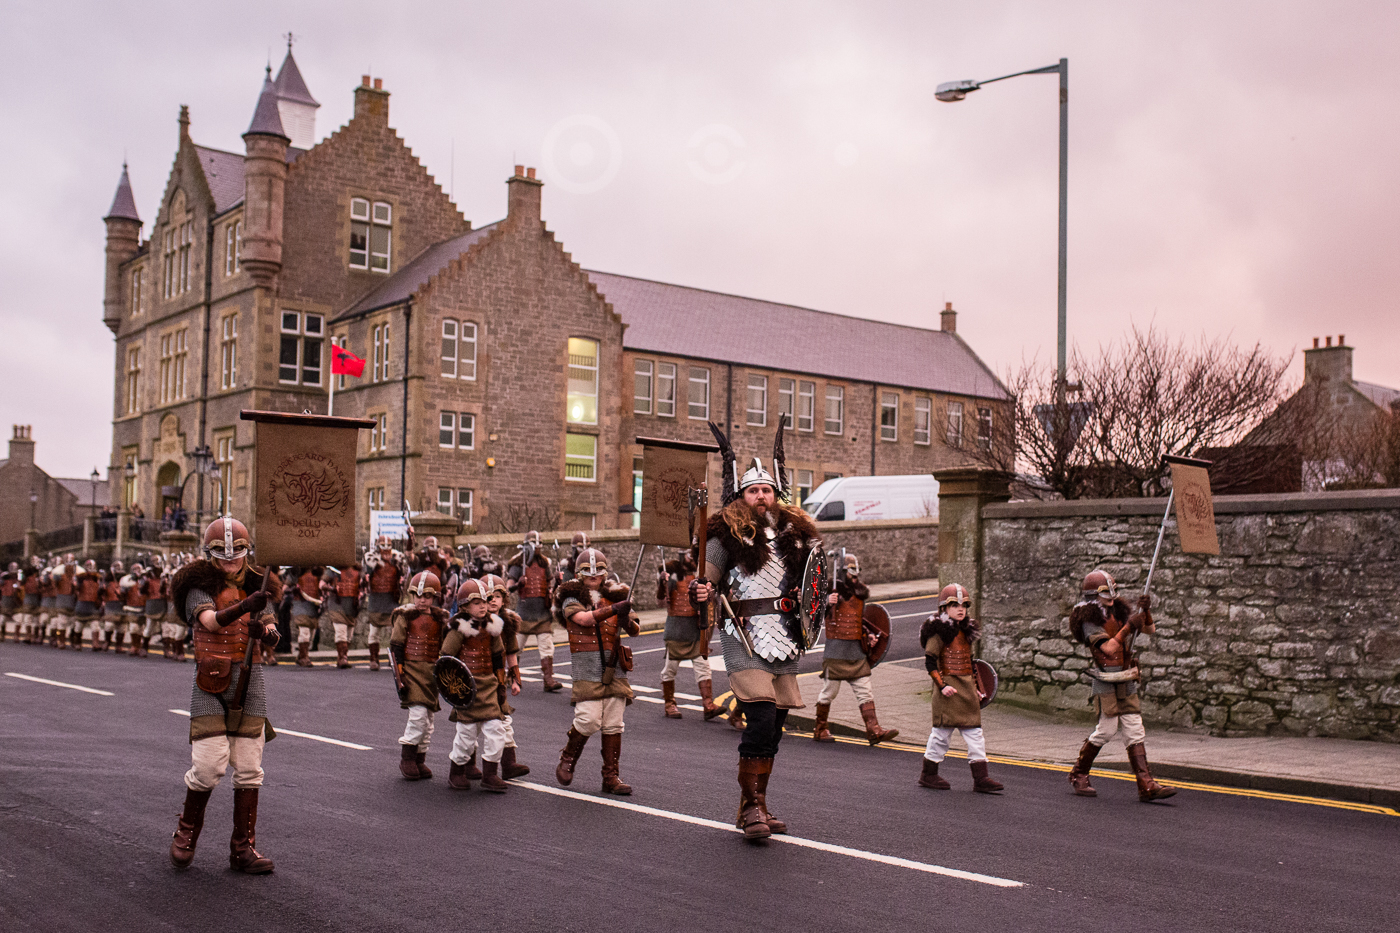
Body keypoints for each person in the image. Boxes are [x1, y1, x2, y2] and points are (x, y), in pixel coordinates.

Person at [692, 424, 818, 841]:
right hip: (743, 633)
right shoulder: (724, 535)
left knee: (775, 724)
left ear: (775, 493)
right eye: (753, 491)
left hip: (784, 635)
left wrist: (823, 600)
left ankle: (756, 802)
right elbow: (707, 576)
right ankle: (752, 810)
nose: (761, 496)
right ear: (740, 496)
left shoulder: (794, 535)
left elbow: (810, 582)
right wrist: (703, 587)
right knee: (760, 717)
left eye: (766, 489)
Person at [167, 516, 281, 873]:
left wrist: (264, 631)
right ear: (210, 553)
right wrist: (247, 607)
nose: (231, 559)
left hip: (250, 682)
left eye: (237, 552)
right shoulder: (197, 586)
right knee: (208, 766)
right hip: (209, 682)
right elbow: (212, 622)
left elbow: (275, 634)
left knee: (249, 768)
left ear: (247, 552)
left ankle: (242, 849)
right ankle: (185, 832)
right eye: (223, 553)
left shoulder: (259, 585)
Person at [1067, 570, 1176, 803]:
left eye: (1113, 590)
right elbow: (1108, 649)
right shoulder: (1087, 619)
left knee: (1135, 728)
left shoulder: (1119, 612)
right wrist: (1128, 627)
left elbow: (1149, 630)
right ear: (1092, 595)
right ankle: (1079, 773)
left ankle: (1146, 784)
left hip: (1126, 677)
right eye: (1106, 592)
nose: (1112, 596)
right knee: (1106, 730)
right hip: (1106, 678)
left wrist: (1145, 612)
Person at [553, 547, 639, 795]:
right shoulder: (571, 598)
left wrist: (626, 620)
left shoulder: (615, 595)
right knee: (588, 720)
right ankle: (568, 757)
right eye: (588, 570)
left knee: (613, 723)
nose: (594, 574)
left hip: (615, 667)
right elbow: (584, 619)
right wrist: (615, 610)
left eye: (598, 569)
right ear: (579, 573)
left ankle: (610, 777)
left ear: (605, 572)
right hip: (587, 669)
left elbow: (634, 630)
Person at [917, 584, 1002, 793]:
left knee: (975, 734)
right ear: (944, 608)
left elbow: (971, 663)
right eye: (954, 604)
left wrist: (978, 687)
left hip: (966, 691)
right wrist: (942, 686)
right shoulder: (938, 632)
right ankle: (929, 774)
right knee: (941, 736)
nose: (960, 608)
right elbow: (930, 662)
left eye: (964, 604)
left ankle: (981, 778)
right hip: (947, 691)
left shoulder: (965, 631)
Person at [812, 550, 899, 745]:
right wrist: (827, 602)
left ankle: (873, 729)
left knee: (865, 691)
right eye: (851, 570)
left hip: (856, 652)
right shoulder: (830, 590)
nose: (855, 574)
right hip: (836, 652)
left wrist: (868, 634)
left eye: (856, 570)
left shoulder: (860, 593)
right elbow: (813, 613)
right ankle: (820, 728)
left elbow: (860, 619)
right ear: (843, 571)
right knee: (829, 692)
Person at [442, 579, 510, 792]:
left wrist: (501, 684)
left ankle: (490, 774)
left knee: (496, 729)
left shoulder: (492, 626)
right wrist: (454, 688)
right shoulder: (458, 629)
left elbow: (498, 657)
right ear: (463, 606)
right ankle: (457, 771)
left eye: (485, 600)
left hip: (488, 686)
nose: (482, 606)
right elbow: (446, 659)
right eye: (476, 602)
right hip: (466, 689)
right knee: (467, 734)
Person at [389, 571, 449, 780]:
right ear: (412, 594)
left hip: (431, 673)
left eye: (427, 596)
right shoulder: (405, 615)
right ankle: (407, 758)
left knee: (429, 720)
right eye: (418, 595)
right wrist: (400, 675)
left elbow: (445, 646)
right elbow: (396, 646)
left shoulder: (439, 618)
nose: (422, 600)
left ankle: (419, 759)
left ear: (435, 597)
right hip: (411, 673)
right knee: (418, 716)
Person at [656, 549, 723, 720]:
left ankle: (708, 705)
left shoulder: (700, 579)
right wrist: (661, 583)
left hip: (695, 631)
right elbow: (660, 601)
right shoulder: (672, 578)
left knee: (703, 667)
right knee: (670, 669)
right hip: (676, 631)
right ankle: (669, 704)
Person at [482, 573, 529, 779]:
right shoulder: (474, 622)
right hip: (478, 678)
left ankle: (509, 764)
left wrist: (515, 679)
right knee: (472, 726)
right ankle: (464, 766)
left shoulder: (507, 623)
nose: (493, 600)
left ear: (504, 599)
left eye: (498, 596)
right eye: (488, 596)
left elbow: (511, 653)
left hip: (498, 680)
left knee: (504, 719)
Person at [507, 531, 560, 692]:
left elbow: (549, 586)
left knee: (546, 647)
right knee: (516, 648)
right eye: (534, 544)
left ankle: (548, 680)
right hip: (523, 614)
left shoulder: (544, 564)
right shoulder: (517, 564)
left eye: (539, 544)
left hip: (542, 614)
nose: (537, 547)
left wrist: (557, 582)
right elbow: (508, 587)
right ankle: (512, 677)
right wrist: (518, 584)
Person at [363, 537, 408, 672]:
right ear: (378, 546)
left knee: (395, 633)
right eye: (383, 545)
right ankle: (374, 659)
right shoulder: (371, 559)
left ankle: (393, 659)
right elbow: (365, 577)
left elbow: (403, 576)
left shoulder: (397, 559)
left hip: (391, 599)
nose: (386, 547)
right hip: (376, 600)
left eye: (389, 545)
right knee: (374, 632)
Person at [323, 563, 362, 670]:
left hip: (352, 607)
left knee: (349, 635)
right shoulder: (333, 570)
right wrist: (332, 588)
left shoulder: (358, 570)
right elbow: (322, 584)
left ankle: (343, 656)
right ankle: (342, 658)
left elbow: (363, 585)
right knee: (341, 632)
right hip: (337, 606)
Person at [288, 565, 325, 667]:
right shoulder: (296, 575)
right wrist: (294, 589)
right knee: (305, 632)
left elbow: (322, 588)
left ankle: (301, 656)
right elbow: (285, 588)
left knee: (311, 634)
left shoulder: (318, 574)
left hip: (314, 606)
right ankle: (304, 657)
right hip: (300, 604)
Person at [74, 559, 105, 651]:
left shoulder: (98, 578)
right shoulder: (81, 577)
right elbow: (76, 589)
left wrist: (102, 595)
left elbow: (100, 591)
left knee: (95, 625)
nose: (91, 568)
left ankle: (95, 644)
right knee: (79, 626)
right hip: (82, 603)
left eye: (92, 566)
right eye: (89, 566)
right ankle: (77, 642)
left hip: (93, 603)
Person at [100, 561, 128, 654]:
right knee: (109, 625)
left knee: (122, 627)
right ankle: (107, 641)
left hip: (122, 604)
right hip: (111, 603)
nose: (117, 568)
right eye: (115, 566)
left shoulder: (125, 578)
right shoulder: (107, 578)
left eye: (119, 566)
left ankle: (119, 645)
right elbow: (102, 591)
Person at [0, 562, 19, 643]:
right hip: (5, 598)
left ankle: (16, 635)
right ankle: (2, 633)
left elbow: (20, 585)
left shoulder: (19, 576)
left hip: (16, 599)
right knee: (2, 618)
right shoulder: (5, 576)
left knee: (18, 618)